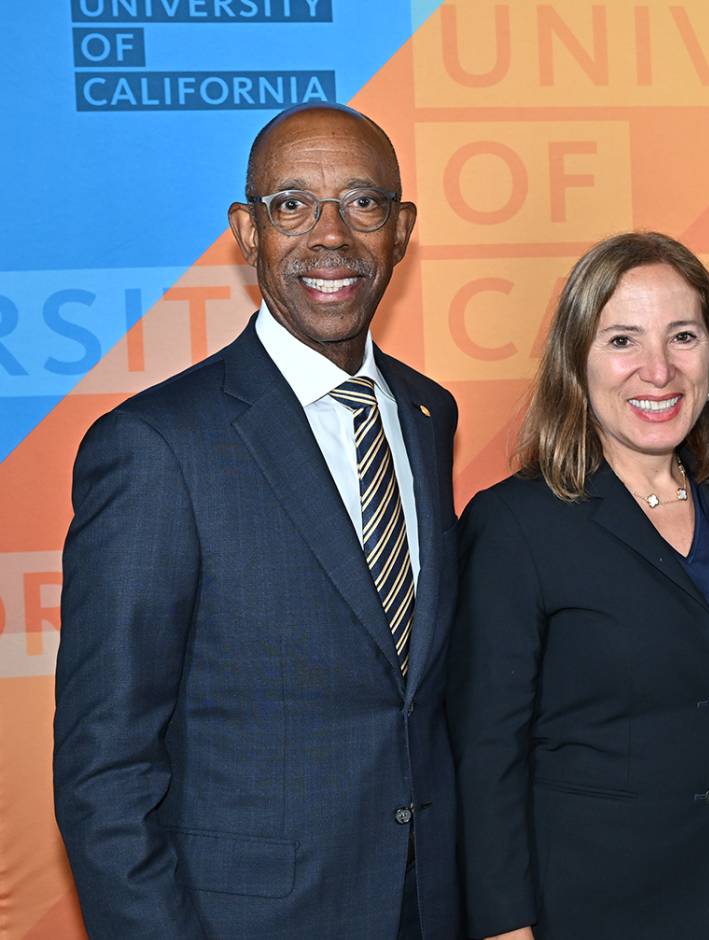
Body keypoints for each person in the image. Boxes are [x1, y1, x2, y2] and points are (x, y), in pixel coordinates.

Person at [54, 104, 460, 939]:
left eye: (362, 202)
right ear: (247, 230)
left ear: (402, 228)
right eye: (292, 205)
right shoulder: (156, 446)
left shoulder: (427, 414)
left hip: (429, 911)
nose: (331, 236)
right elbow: (106, 769)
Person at [448, 232, 709, 940]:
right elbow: (487, 757)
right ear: (576, 362)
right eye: (622, 341)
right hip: (581, 912)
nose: (658, 370)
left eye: (683, 336)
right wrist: (505, 931)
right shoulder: (515, 523)